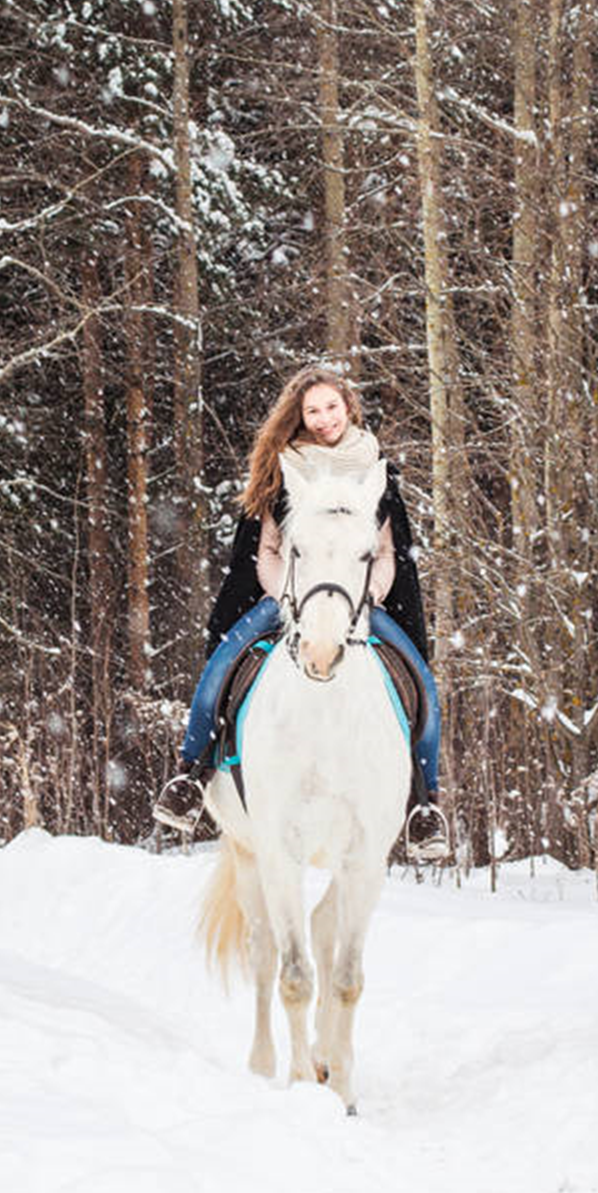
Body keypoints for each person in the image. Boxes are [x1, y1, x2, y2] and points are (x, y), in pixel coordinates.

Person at [153, 365, 450, 861]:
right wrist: (288, 598)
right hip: (289, 598)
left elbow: (386, 553)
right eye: (313, 410)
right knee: (223, 664)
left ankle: (425, 802)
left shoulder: (373, 469)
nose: (324, 418)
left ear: (348, 407)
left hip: (357, 599)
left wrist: (366, 599)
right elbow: (266, 550)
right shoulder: (284, 469)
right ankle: (191, 773)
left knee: (419, 680)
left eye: (331, 407)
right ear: (301, 415)